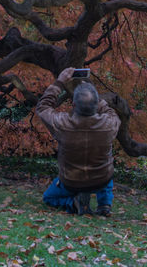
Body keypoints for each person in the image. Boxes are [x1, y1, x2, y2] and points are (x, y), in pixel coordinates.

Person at [35, 67, 121, 216]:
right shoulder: (110, 124)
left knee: (48, 197)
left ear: (73, 105)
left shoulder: (62, 124)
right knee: (107, 167)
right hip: (101, 180)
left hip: (71, 182)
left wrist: (60, 82)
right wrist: (93, 96)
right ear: (96, 106)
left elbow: (43, 107)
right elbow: (110, 111)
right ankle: (104, 205)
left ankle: (73, 203)